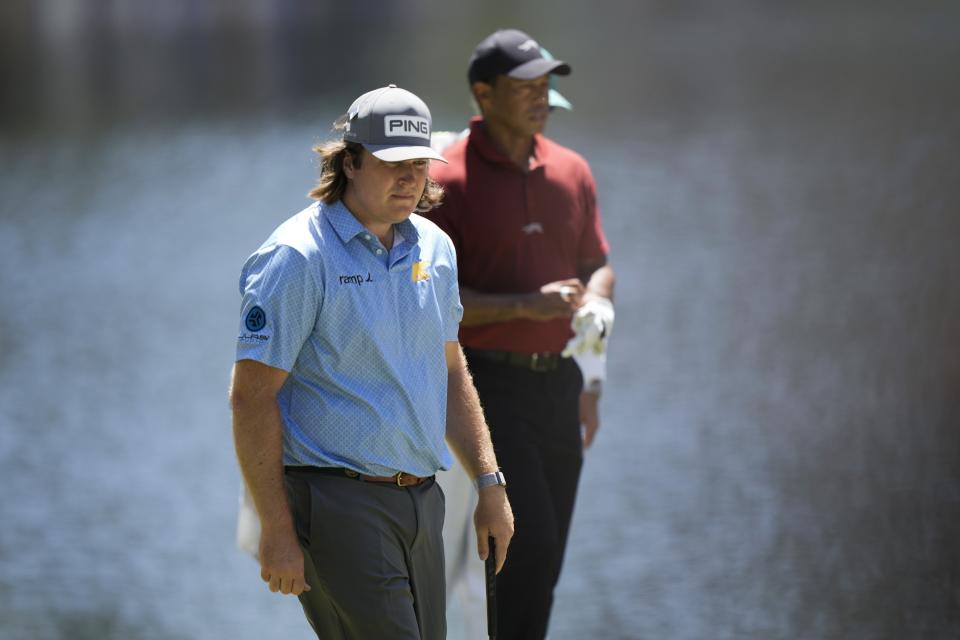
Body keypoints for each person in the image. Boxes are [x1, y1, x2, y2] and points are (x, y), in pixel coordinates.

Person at [229, 84, 514, 640]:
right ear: (351, 162)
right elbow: (250, 397)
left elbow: (450, 370)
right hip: (337, 502)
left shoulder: (435, 247)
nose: (409, 177)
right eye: (392, 163)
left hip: (422, 501)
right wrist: (277, 531)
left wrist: (489, 481)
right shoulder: (297, 256)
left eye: (418, 163)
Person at [425, 30, 616, 640]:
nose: (542, 95)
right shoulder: (444, 181)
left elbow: (598, 264)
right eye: (525, 85)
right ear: (483, 93)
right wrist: (527, 306)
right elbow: (427, 306)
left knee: (546, 556)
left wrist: (596, 325)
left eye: (546, 84)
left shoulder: (571, 170)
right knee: (522, 546)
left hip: (559, 383)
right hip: (485, 386)